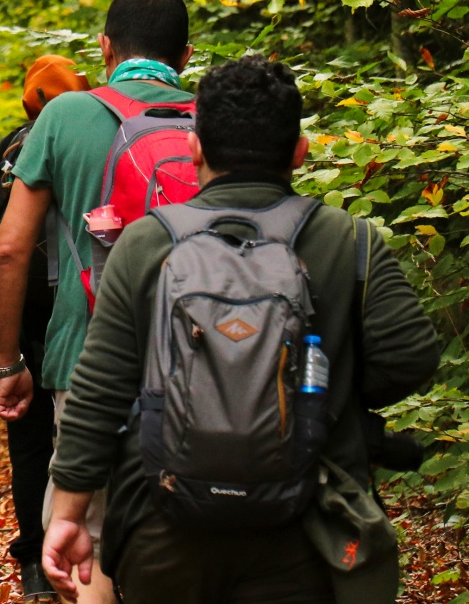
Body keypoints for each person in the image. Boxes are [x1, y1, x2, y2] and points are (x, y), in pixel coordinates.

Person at [43, 56, 439, 603]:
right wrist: (327, 389)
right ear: (299, 152)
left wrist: (69, 513)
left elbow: (100, 387)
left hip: (164, 523)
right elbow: (411, 357)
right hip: (305, 522)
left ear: (196, 147)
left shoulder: (145, 243)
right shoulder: (349, 240)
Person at [0, 0, 196, 604]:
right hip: (201, 360)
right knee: (183, 534)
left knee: (88, 541)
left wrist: (9, 363)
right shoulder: (215, 118)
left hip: (87, 356)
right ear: (184, 56)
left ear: (104, 48)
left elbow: (9, 250)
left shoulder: (65, 115)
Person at [0, 55, 88, 602]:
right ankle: (90, 552)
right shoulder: (101, 137)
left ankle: (38, 561)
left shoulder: (16, 148)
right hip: (83, 309)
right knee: (87, 433)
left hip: (25, 314)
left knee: (30, 442)